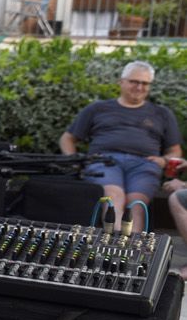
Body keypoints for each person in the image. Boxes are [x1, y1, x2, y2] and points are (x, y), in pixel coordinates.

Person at [60, 60, 180, 230]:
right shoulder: (98, 108)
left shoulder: (162, 113)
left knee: (136, 204)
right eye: (134, 81)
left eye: (145, 83)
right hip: (104, 161)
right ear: (121, 82)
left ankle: (132, 250)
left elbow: (174, 150)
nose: (139, 87)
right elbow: (68, 138)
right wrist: (74, 161)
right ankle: (114, 248)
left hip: (144, 164)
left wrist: (164, 161)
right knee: (113, 197)